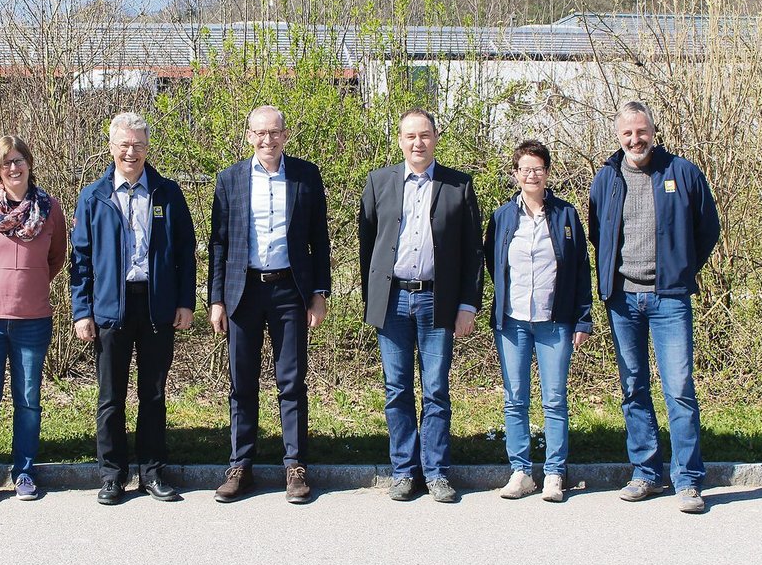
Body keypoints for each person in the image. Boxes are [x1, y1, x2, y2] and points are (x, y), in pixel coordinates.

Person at [588, 101, 721, 514]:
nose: (635, 140)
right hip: (623, 300)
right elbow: (598, 232)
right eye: (627, 134)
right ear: (618, 136)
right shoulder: (605, 179)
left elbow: (708, 228)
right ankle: (646, 472)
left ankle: (688, 480)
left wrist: (680, 268)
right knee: (633, 388)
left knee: (678, 389)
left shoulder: (682, 173)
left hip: (669, 300)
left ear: (654, 132)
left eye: (641, 132)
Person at [71, 112, 197, 506]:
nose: (131, 151)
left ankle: (153, 472)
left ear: (147, 148)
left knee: (153, 394)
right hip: (110, 307)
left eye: (139, 144)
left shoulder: (167, 193)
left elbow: (185, 254)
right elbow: (81, 260)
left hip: (157, 306)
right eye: (124, 144)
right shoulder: (94, 197)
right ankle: (112, 475)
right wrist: (82, 310)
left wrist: (185, 302)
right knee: (111, 397)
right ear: (111, 147)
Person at [208, 106, 331, 505]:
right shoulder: (230, 180)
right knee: (241, 383)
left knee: (291, 382)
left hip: (290, 292)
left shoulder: (305, 176)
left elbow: (320, 240)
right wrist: (216, 299)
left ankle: (295, 466)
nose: (267, 140)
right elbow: (219, 244)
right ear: (248, 136)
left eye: (274, 132)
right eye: (259, 133)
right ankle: (240, 466)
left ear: (285, 134)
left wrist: (320, 293)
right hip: (243, 292)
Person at [359, 108, 483, 503]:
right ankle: (403, 471)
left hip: (437, 301)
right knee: (396, 389)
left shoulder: (458, 185)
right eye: (410, 136)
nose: (418, 143)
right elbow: (368, 247)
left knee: (435, 389)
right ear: (400, 140)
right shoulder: (379, 182)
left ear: (435, 138)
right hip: (393, 300)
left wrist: (468, 304)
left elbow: (472, 253)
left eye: (425, 135)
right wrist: (372, 299)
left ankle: (436, 472)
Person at [0, 135, 67, 506]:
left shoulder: (50, 209)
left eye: (19, 160)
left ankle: (23, 473)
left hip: (32, 319)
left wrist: (26, 284)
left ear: (30, 163)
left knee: (28, 400)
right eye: (6, 162)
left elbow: (55, 259)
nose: (14, 167)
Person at [483, 139, 592, 504]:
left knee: (555, 399)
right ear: (515, 174)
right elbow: (492, 262)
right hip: (512, 322)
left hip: (554, 321)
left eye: (538, 169)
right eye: (525, 169)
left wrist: (582, 319)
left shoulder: (565, 215)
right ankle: (521, 472)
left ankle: (554, 474)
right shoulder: (501, 217)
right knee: (515, 399)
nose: (532, 175)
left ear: (547, 173)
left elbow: (580, 269)